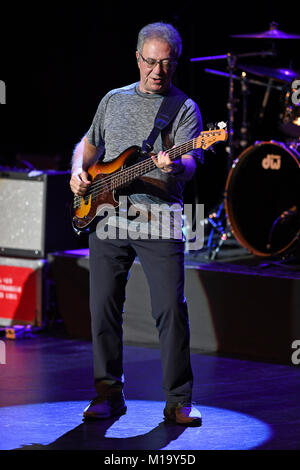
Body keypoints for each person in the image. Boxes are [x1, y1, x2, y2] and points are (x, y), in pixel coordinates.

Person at [70, 22, 203, 426]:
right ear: (137, 59)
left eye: (166, 63)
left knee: (169, 310)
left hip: (159, 219)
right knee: (104, 307)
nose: (157, 71)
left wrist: (176, 163)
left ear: (175, 63)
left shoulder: (184, 109)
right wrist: (78, 168)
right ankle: (108, 395)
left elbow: (193, 164)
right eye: (150, 61)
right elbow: (89, 143)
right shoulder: (113, 100)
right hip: (106, 217)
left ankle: (178, 401)